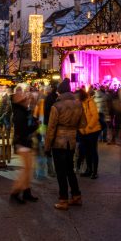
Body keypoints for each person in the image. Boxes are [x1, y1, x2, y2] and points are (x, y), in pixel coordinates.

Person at [44, 78, 85, 210]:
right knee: (70, 170)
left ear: (60, 92)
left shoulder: (56, 106)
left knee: (61, 172)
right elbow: (84, 124)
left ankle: (63, 200)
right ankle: (76, 196)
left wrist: (47, 146)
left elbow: (51, 128)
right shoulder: (79, 104)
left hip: (59, 142)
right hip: (71, 141)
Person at [10, 86, 39, 203]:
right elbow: (24, 129)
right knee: (26, 169)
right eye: (25, 100)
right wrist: (35, 125)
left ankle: (27, 192)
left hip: (25, 142)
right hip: (22, 143)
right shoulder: (19, 113)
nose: (28, 101)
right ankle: (15, 192)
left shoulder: (23, 111)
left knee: (29, 168)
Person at [78, 88, 101, 178]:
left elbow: (95, 116)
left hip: (93, 131)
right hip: (83, 131)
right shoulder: (80, 104)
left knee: (93, 151)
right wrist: (81, 129)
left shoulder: (90, 102)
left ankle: (94, 172)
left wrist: (88, 128)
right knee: (86, 151)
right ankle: (88, 169)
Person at [42, 83, 59, 177]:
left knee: (48, 147)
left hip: (48, 124)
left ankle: (50, 169)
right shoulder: (56, 98)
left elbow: (46, 112)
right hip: (54, 125)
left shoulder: (48, 98)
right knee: (53, 148)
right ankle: (52, 169)